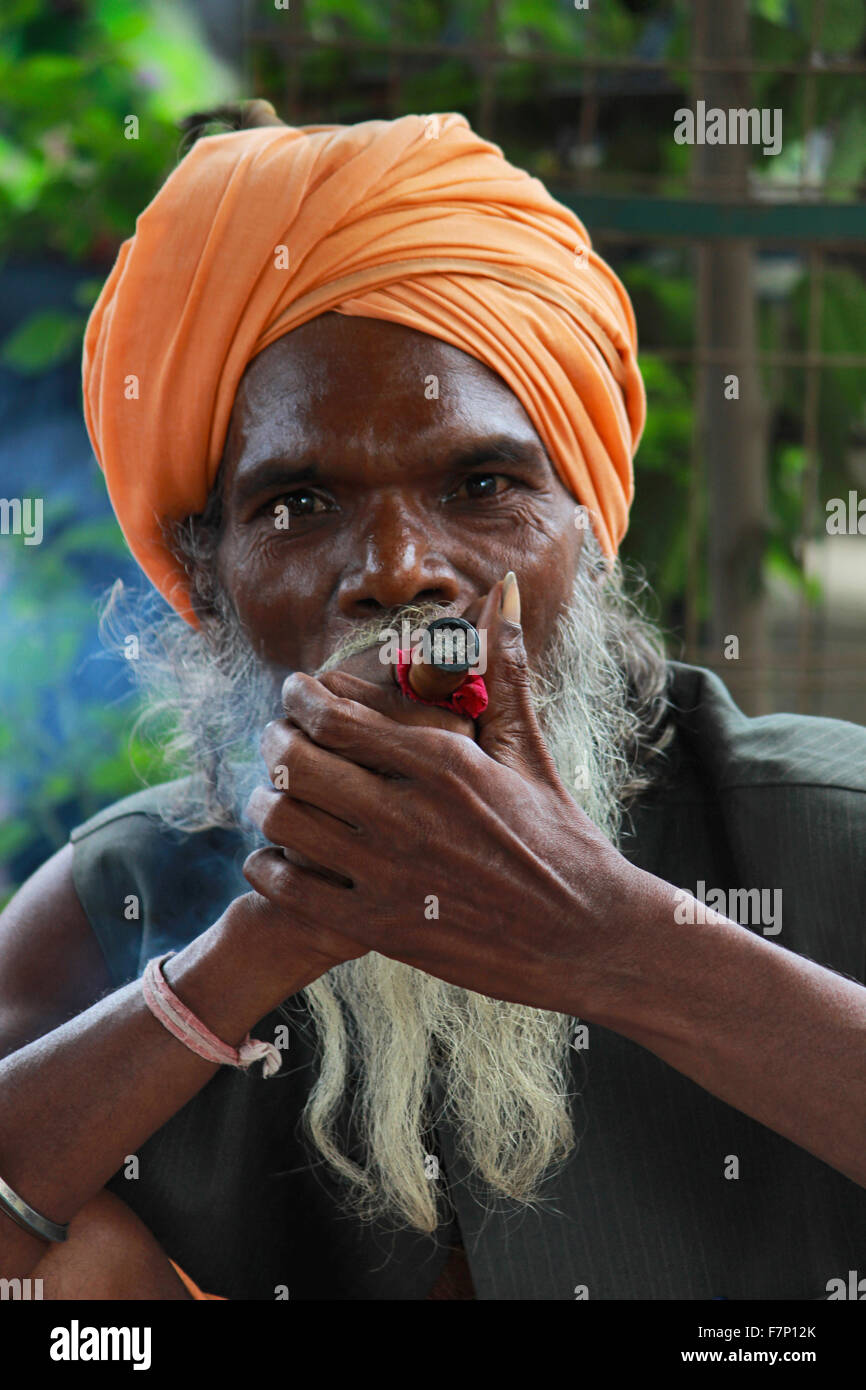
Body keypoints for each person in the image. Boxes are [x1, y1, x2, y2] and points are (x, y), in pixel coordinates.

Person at [0, 103, 864, 1302]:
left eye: (481, 482)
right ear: (208, 580)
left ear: (589, 537)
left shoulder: (824, 829)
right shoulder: (119, 903)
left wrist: (608, 940)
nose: (400, 567)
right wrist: (255, 950)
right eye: (298, 503)